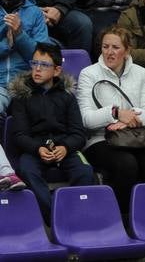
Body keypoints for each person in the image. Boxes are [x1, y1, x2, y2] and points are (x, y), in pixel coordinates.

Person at [75, 26, 145, 208]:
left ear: (127, 51)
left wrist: (127, 120)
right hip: (100, 139)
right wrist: (116, 113)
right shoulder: (88, 74)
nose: (109, 52)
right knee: (126, 164)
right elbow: (86, 120)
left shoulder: (142, 74)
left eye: (115, 48)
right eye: (105, 46)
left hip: (135, 137)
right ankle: (120, 215)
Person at [9, 41, 97, 217]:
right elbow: (19, 135)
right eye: (34, 63)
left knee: (85, 171)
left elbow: (78, 134)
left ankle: (75, 214)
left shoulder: (67, 96)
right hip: (34, 149)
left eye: (44, 65)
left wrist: (65, 147)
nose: (37, 69)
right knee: (27, 171)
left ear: (56, 70)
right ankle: (56, 217)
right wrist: (37, 148)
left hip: (65, 148)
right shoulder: (21, 96)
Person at [0, 0, 49, 112]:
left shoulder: (35, 13)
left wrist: (20, 35)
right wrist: (7, 44)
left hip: (27, 85)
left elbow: (42, 56)